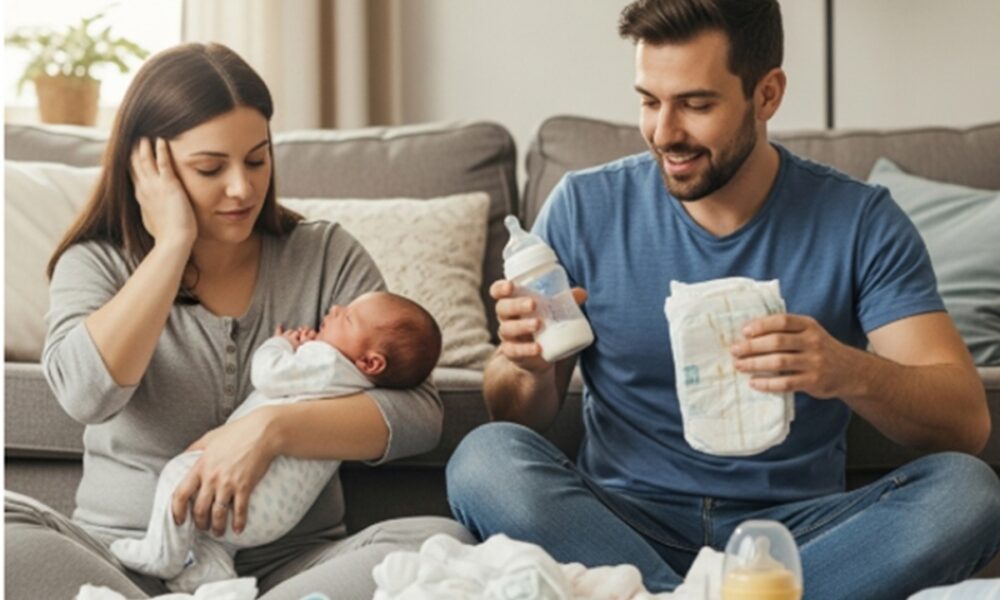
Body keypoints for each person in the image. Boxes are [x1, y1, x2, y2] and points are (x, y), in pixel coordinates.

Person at [445, 1, 1000, 598]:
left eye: (696, 104)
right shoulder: (584, 207)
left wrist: (845, 369)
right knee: (485, 457)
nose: (664, 133)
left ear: (767, 95)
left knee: (967, 491)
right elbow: (518, 412)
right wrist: (523, 364)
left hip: (792, 534)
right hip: (621, 520)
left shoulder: (860, 221)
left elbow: (964, 423)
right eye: (649, 101)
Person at [4, 42, 472, 600]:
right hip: (121, 560)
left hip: (294, 568)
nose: (242, 189)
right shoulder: (97, 261)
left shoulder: (325, 255)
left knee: (440, 543)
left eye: (256, 159)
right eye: (210, 167)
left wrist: (267, 431)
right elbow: (85, 394)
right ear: (146, 163)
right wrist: (171, 246)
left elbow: (419, 413)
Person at [111, 291, 442, 592]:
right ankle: (215, 576)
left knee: (177, 477)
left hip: (254, 496)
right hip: (271, 517)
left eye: (349, 317)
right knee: (218, 542)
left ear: (371, 362)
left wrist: (281, 345)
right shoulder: (357, 387)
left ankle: (161, 555)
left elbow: (268, 373)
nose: (336, 308)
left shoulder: (327, 362)